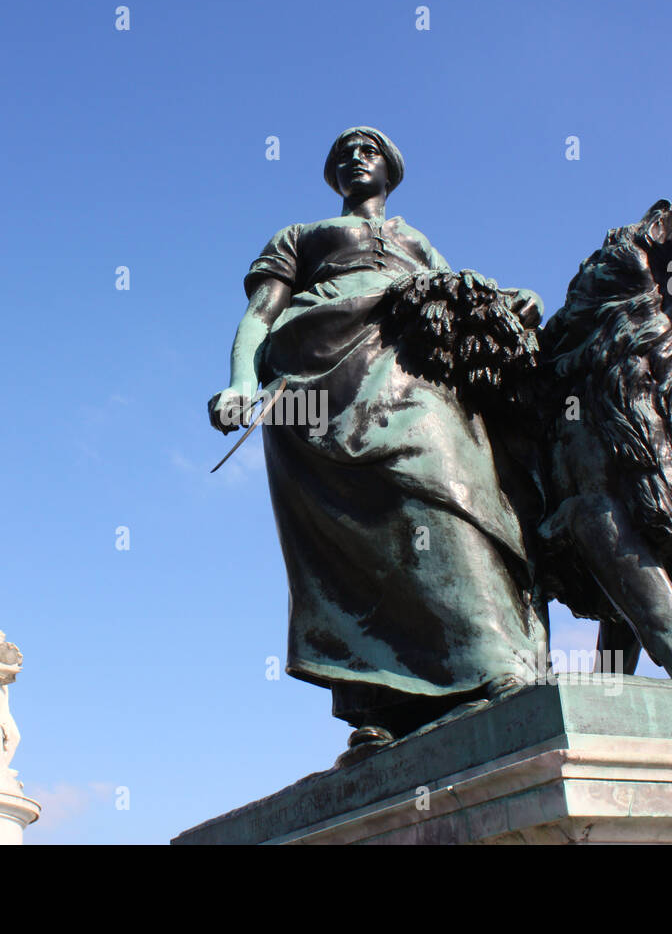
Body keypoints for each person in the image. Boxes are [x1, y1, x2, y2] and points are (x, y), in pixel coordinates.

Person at [208, 127, 548, 759]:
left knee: (450, 494)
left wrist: (507, 302)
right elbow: (260, 314)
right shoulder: (302, 236)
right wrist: (238, 382)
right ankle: (378, 704)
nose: (353, 158)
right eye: (342, 154)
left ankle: (491, 657)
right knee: (352, 538)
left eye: (368, 151)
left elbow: (457, 303)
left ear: (391, 171)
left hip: (411, 369)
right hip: (318, 383)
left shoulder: (418, 242)